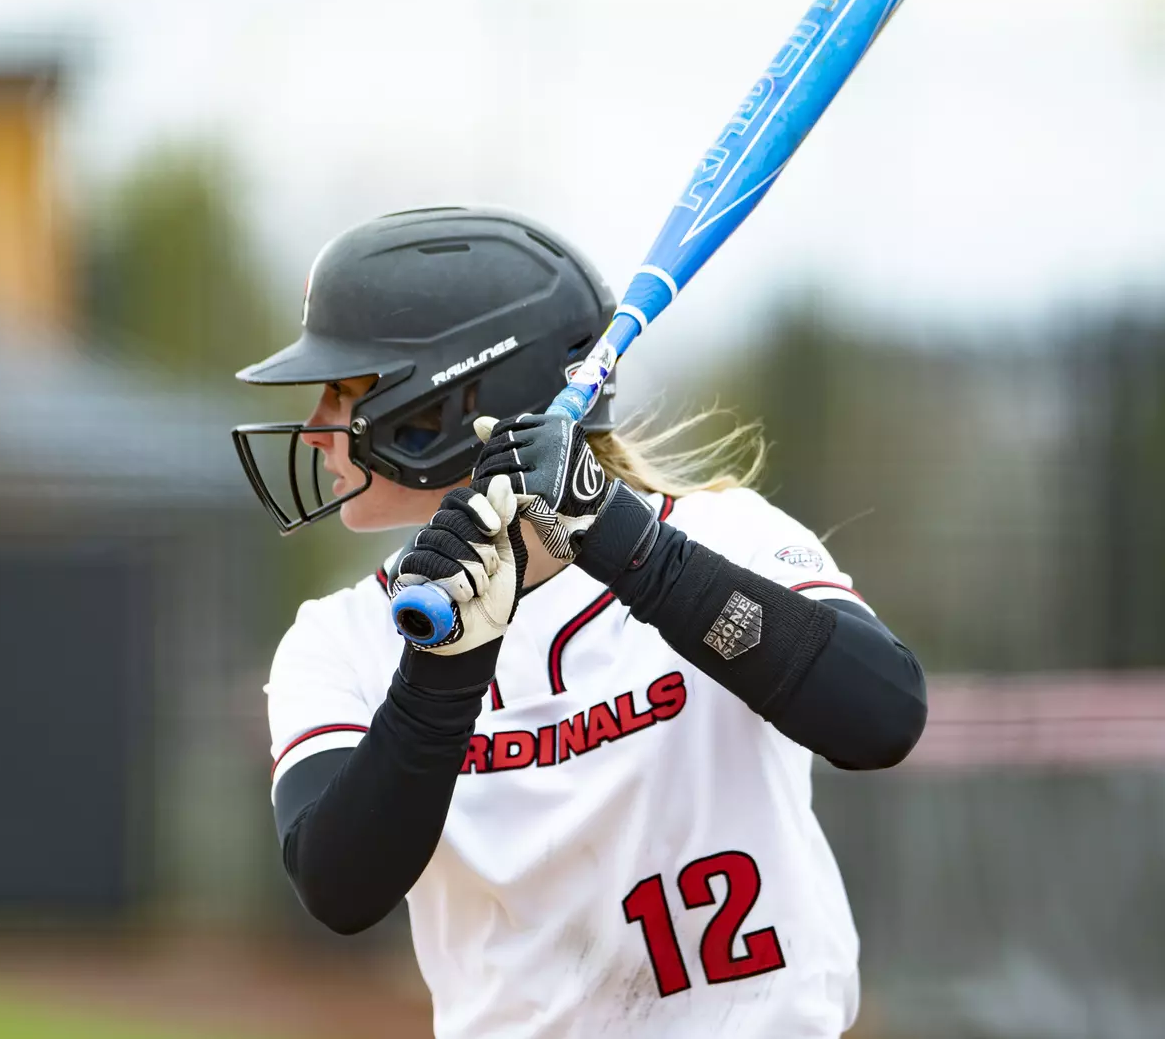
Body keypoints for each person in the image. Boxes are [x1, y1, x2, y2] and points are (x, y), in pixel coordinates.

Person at [232, 206, 927, 1039]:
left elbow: (883, 715)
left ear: (446, 405)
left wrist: (638, 553)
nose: (315, 430)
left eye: (345, 391)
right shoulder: (344, 639)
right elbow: (341, 886)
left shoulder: (721, 537)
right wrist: (444, 667)